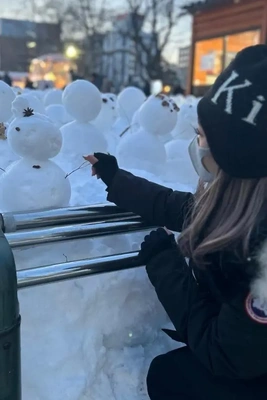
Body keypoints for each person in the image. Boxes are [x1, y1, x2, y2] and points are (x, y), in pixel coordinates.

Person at [85, 45, 267, 399]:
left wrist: (164, 263)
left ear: (236, 156)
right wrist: (118, 181)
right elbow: (189, 210)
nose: (194, 144)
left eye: (200, 136)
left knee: (172, 377)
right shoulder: (247, 204)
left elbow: (223, 354)